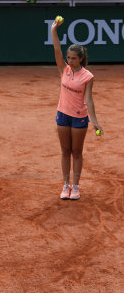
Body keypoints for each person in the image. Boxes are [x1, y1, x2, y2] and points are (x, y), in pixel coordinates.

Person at [51, 17, 103, 200]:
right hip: (62, 115)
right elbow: (57, 48)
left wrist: (94, 122)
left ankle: (76, 186)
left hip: (79, 117)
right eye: (68, 58)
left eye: (73, 58)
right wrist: (53, 30)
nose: (70, 60)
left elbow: (89, 100)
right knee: (65, 151)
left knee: (76, 152)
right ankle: (65, 185)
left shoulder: (88, 76)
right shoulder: (63, 70)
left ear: (81, 59)